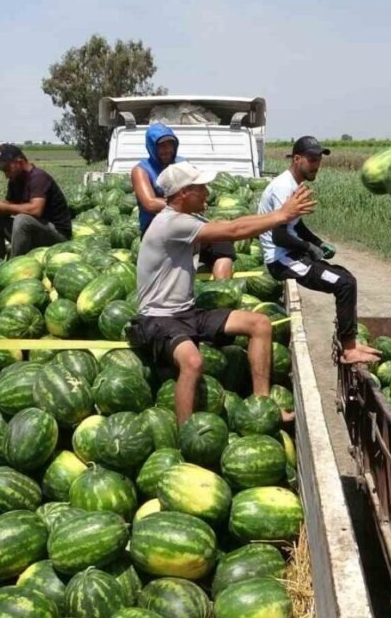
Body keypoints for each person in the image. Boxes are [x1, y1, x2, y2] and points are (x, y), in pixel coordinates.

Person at [127, 161, 316, 425]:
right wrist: (281, 215)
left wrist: (277, 215)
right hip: (158, 318)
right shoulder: (171, 224)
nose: (207, 192)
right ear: (183, 193)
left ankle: (262, 404)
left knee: (260, 324)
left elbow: (235, 223)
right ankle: (186, 433)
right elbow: (233, 231)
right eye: (201, 187)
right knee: (192, 362)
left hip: (186, 311)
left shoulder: (186, 219)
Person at [258, 136, 380, 365]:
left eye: (319, 159)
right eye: (312, 159)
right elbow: (279, 235)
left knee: (346, 277)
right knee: (343, 284)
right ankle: (349, 350)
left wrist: (318, 243)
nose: (317, 165)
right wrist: (308, 248)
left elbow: (296, 225)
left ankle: (350, 341)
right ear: (297, 159)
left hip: (292, 255)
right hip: (282, 260)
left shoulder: (294, 184)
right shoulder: (284, 188)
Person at [132, 123, 235, 280]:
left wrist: (197, 202)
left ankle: (224, 290)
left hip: (186, 222)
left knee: (222, 242)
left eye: (170, 145)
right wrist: (182, 203)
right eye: (161, 146)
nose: (167, 150)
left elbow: (197, 188)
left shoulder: (182, 164)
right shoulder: (141, 170)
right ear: (151, 147)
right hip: (157, 229)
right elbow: (150, 203)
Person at [0, 143, 72, 258]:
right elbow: (11, 205)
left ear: (19, 162)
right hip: (36, 233)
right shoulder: (15, 180)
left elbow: (36, 210)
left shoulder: (38, 177)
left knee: (22, 220)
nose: (6, 175)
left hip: (57, 236)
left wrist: (4, 207)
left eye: (7, 169)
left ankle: (15, 264)